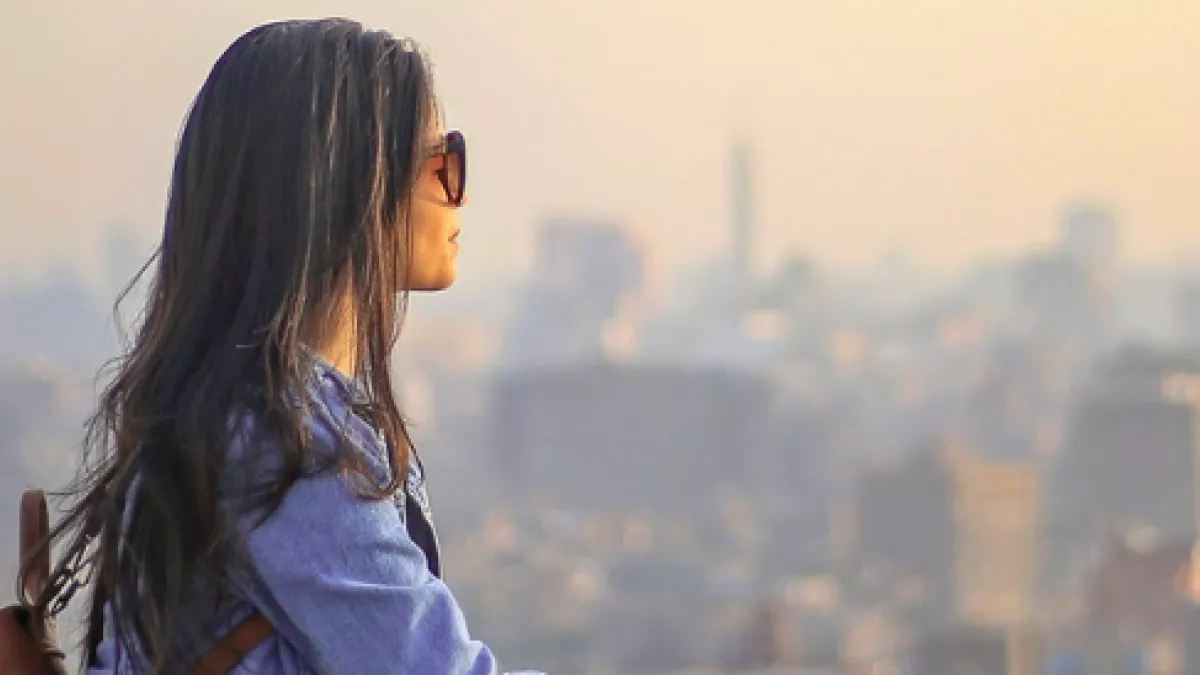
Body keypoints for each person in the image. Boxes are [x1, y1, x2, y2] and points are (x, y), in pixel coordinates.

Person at [23, 18, 526, 675]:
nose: (457, 189)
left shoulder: (228, 409)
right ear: (351, 185)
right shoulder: (287, 442)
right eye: (441, 160)